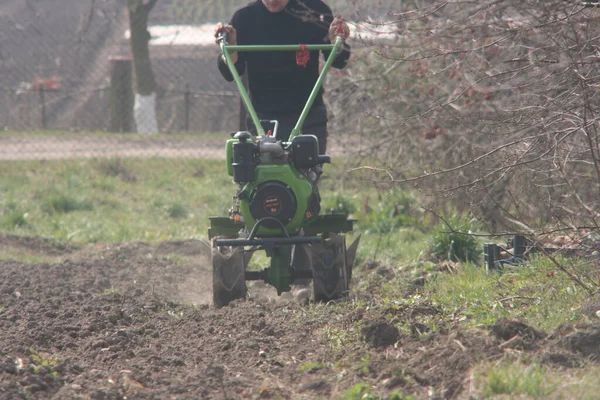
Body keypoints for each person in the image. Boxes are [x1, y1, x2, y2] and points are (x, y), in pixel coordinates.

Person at [215, 0, 351, 155]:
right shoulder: (245, 17)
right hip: (263, 116)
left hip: (308, 115)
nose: (273, 1)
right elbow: (231, 72)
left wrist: (337, 42)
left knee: (307, 172)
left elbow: (340, 60)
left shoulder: (314, 11)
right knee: (265, 175)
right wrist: (230, 48)